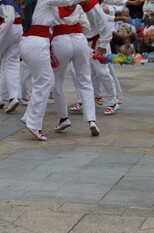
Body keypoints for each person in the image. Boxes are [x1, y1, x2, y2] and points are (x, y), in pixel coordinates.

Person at [20, 0, 91, 141]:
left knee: (45, 81)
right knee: (45, 82)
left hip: (32, 41)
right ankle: (34, 123)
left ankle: (29, 117)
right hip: (37, 42)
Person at [51, 3, 98, 135]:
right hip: (79, 39)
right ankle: (91, 120)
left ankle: (63, 118)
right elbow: (86, 26)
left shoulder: (52, 5)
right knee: (85, 80)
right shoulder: (77, 6)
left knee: (56, 80)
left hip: (60, 39)